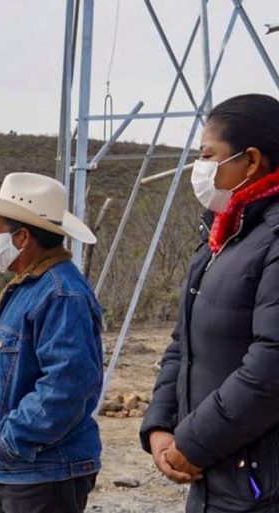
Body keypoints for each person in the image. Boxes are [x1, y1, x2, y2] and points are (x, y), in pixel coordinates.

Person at [140, 94, 279, 512]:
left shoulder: (271, 238)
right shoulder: (220, 239)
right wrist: (161, 428)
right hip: (220, 473)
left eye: (208, 156)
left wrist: (194, 443)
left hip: (261, 483)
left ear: (251, 160)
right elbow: (182, 344)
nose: (199, 170)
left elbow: (271, 365)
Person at [0, 172, 103, 513]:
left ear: (22, 237)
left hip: (42, 472)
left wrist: (13, 439)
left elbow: (68, 384)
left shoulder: (60, 293)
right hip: (23, 471)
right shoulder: (34, 286)